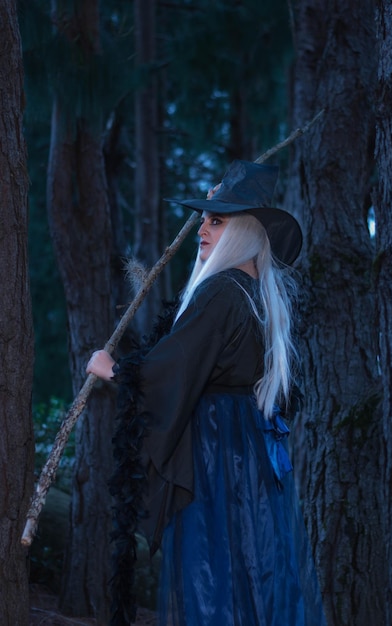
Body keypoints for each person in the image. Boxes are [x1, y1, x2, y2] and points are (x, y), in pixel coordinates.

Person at [87, 160, 326, 626]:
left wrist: (114, 369)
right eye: (204, 218)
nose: (202, 228)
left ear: (243, 231)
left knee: (213, 576)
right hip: (250, 454)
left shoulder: (221, 292)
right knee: (251, 569)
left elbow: (174, 366)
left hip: (217, 453)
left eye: (216, 220)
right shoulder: (262, 296)